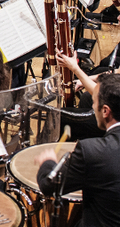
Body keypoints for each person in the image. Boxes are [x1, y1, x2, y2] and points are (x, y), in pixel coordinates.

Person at [35, 72, 120, 227]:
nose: (93, 106)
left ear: (106, 111)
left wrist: (48, 161)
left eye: (94, 102)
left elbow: (50, 186)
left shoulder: (92, 151)